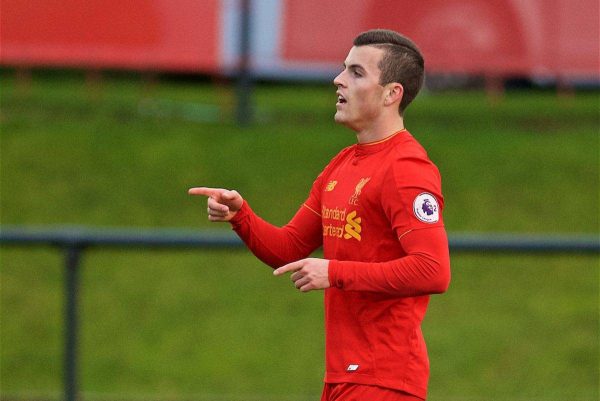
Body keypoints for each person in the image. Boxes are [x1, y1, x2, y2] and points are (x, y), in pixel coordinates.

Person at [189, 29, 450, 401]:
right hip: (344, 377)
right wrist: (240, 215)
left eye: (357, 73)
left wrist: (334, 271)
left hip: (384, 379)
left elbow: (432, 270)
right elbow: (288, 247)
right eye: (344, 69)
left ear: (392, 94)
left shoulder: (407, 168)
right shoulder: (342, 165)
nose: (338, 80)